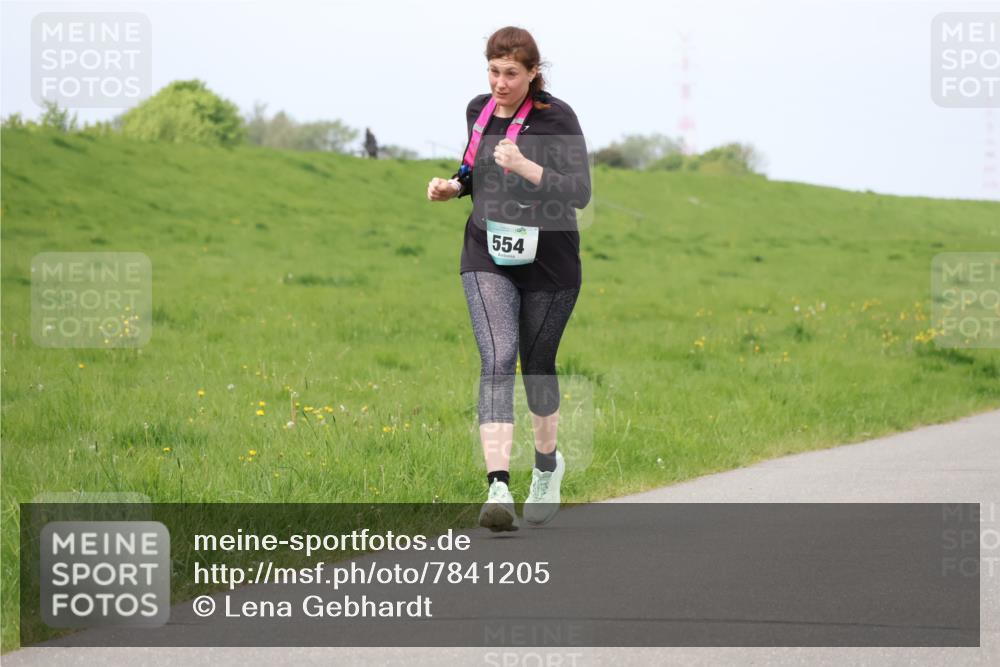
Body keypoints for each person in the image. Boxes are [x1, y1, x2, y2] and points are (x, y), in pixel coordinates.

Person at [426, 26, 590, 532]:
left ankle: (546, 467)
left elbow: (579, 193)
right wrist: (455, 186)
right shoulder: (479, 109)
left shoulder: (556, 117)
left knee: (536, 364)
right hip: (487, 249)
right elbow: (475, 167)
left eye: (511, 74)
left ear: (533, 73)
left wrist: (526, 167)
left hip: (550, 259)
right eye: (493, 71)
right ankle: (498, 485)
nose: (500, 83)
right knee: (497, 358)